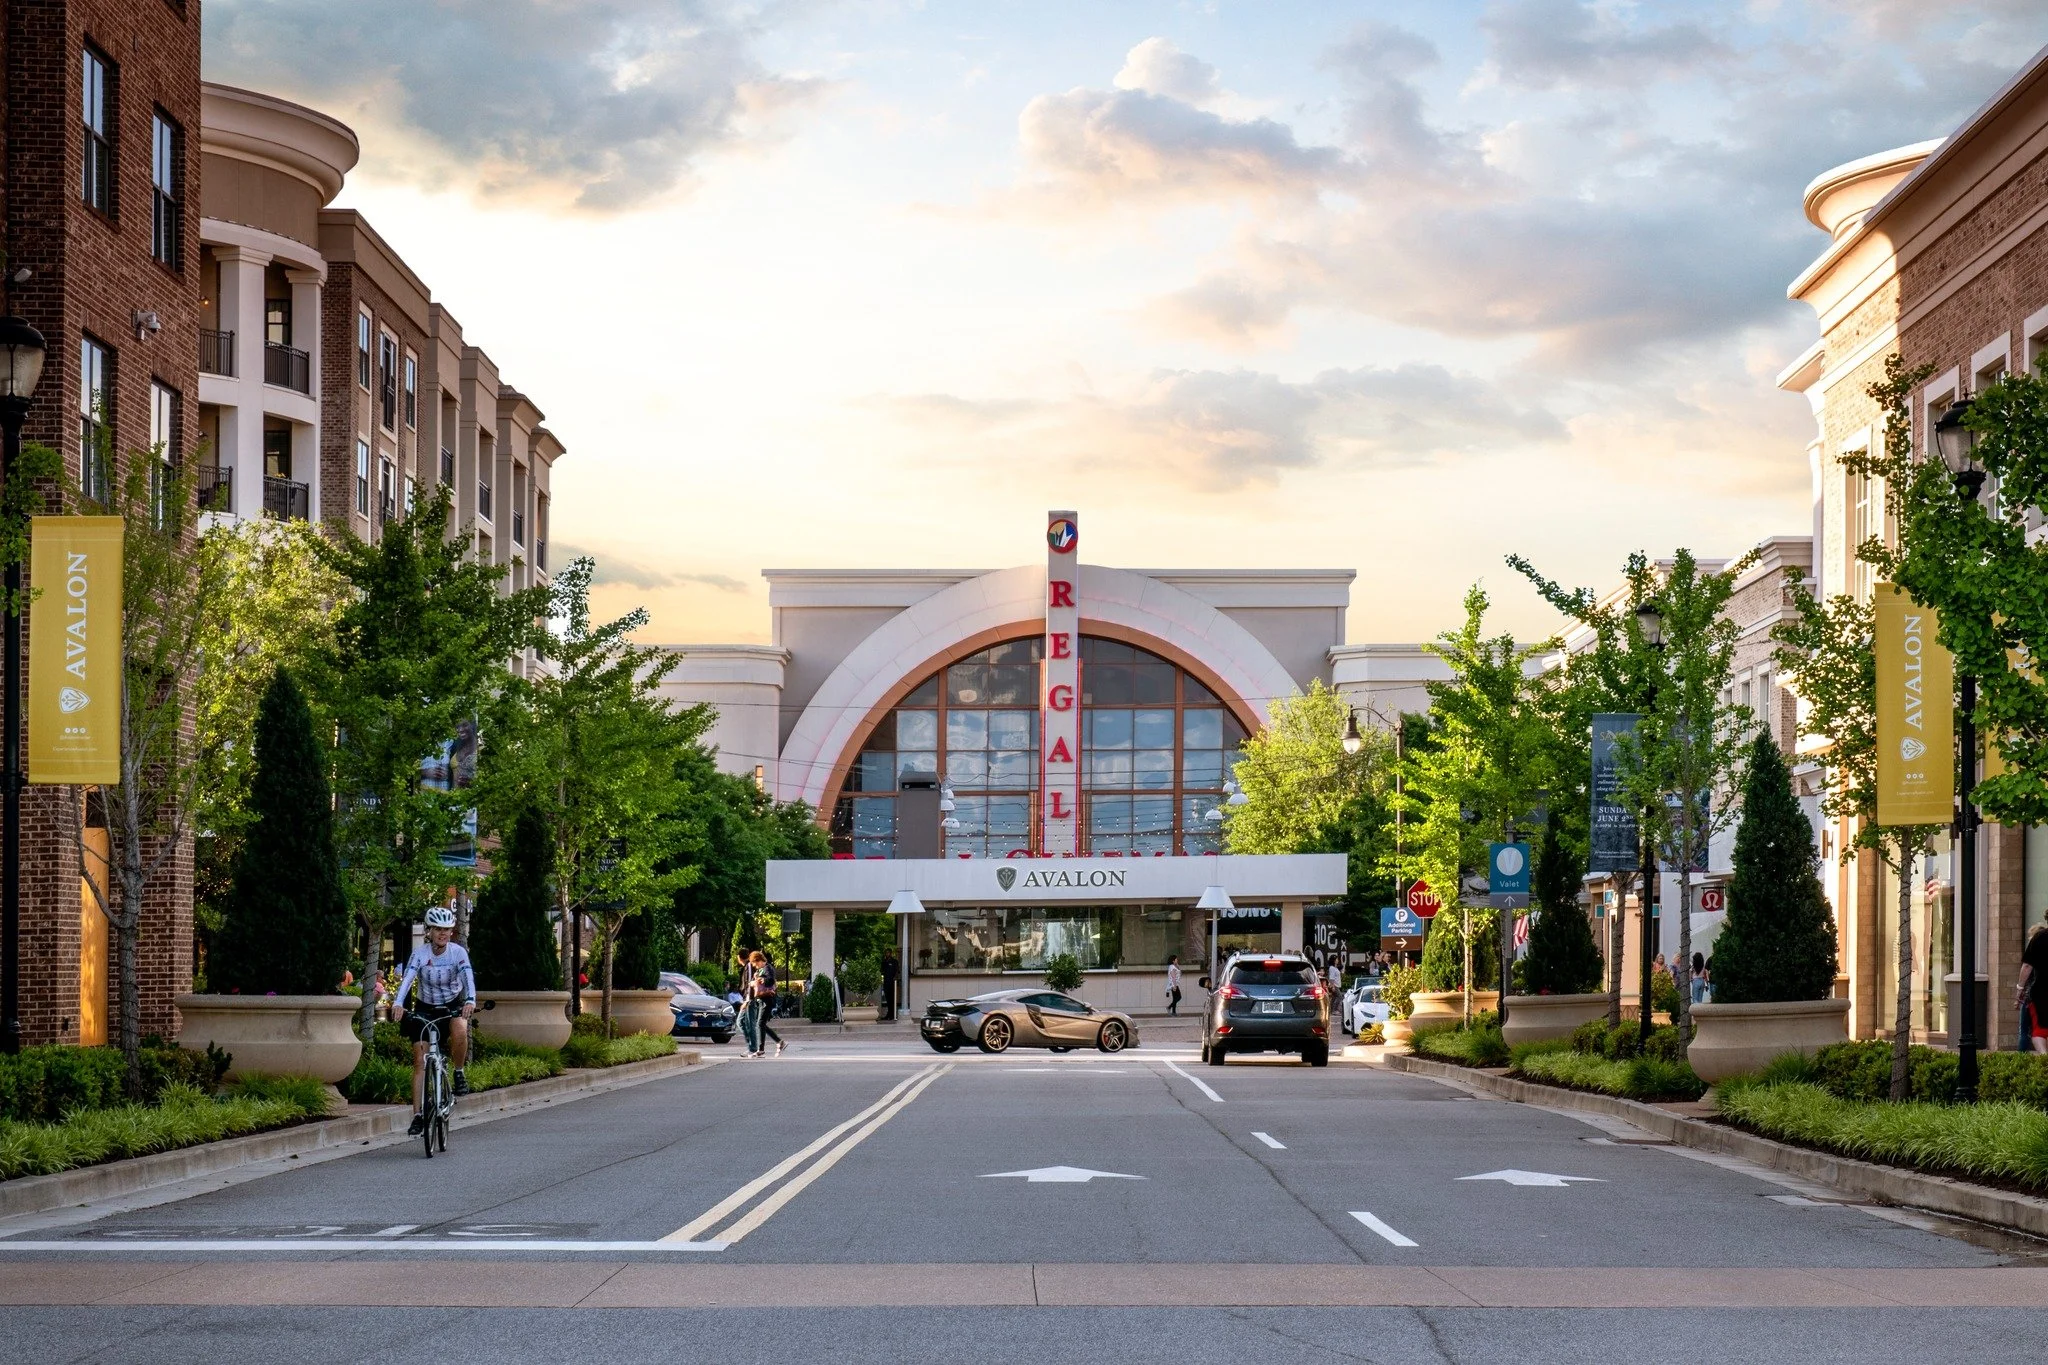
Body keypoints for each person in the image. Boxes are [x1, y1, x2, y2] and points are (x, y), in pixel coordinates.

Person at [390, 906, 476, 1137]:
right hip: (426, 1007)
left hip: (453, 1003)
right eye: (438, 929)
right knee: (419, 1061)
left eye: (447, 929)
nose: (443, 933)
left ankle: (458, 1072)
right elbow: (408, 978)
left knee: (460, 1028)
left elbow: (468, 976)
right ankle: (418, 1116)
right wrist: (398, 1003)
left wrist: (470, 1000)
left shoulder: (458, 952)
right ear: (429, 931)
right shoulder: (420, 954)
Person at [2016, 924, 2048, 1054]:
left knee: (2039, 1031)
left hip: (2041, 991)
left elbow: (2027, 966)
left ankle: (2044, 1058)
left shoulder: (2040, 937)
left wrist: (2019, 989)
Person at [748, 950, 785, 1057]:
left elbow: (771, 981)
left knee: (760, 1023)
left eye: (755, 963)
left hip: (767, 999)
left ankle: (762, 1048)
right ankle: (778, 1041)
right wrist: (754, 981)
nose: (755, 966)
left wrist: (762, 980)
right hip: (761, 999)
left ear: (758, 960)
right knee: (761, 1023)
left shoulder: (768, 968)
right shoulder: (760, 970)